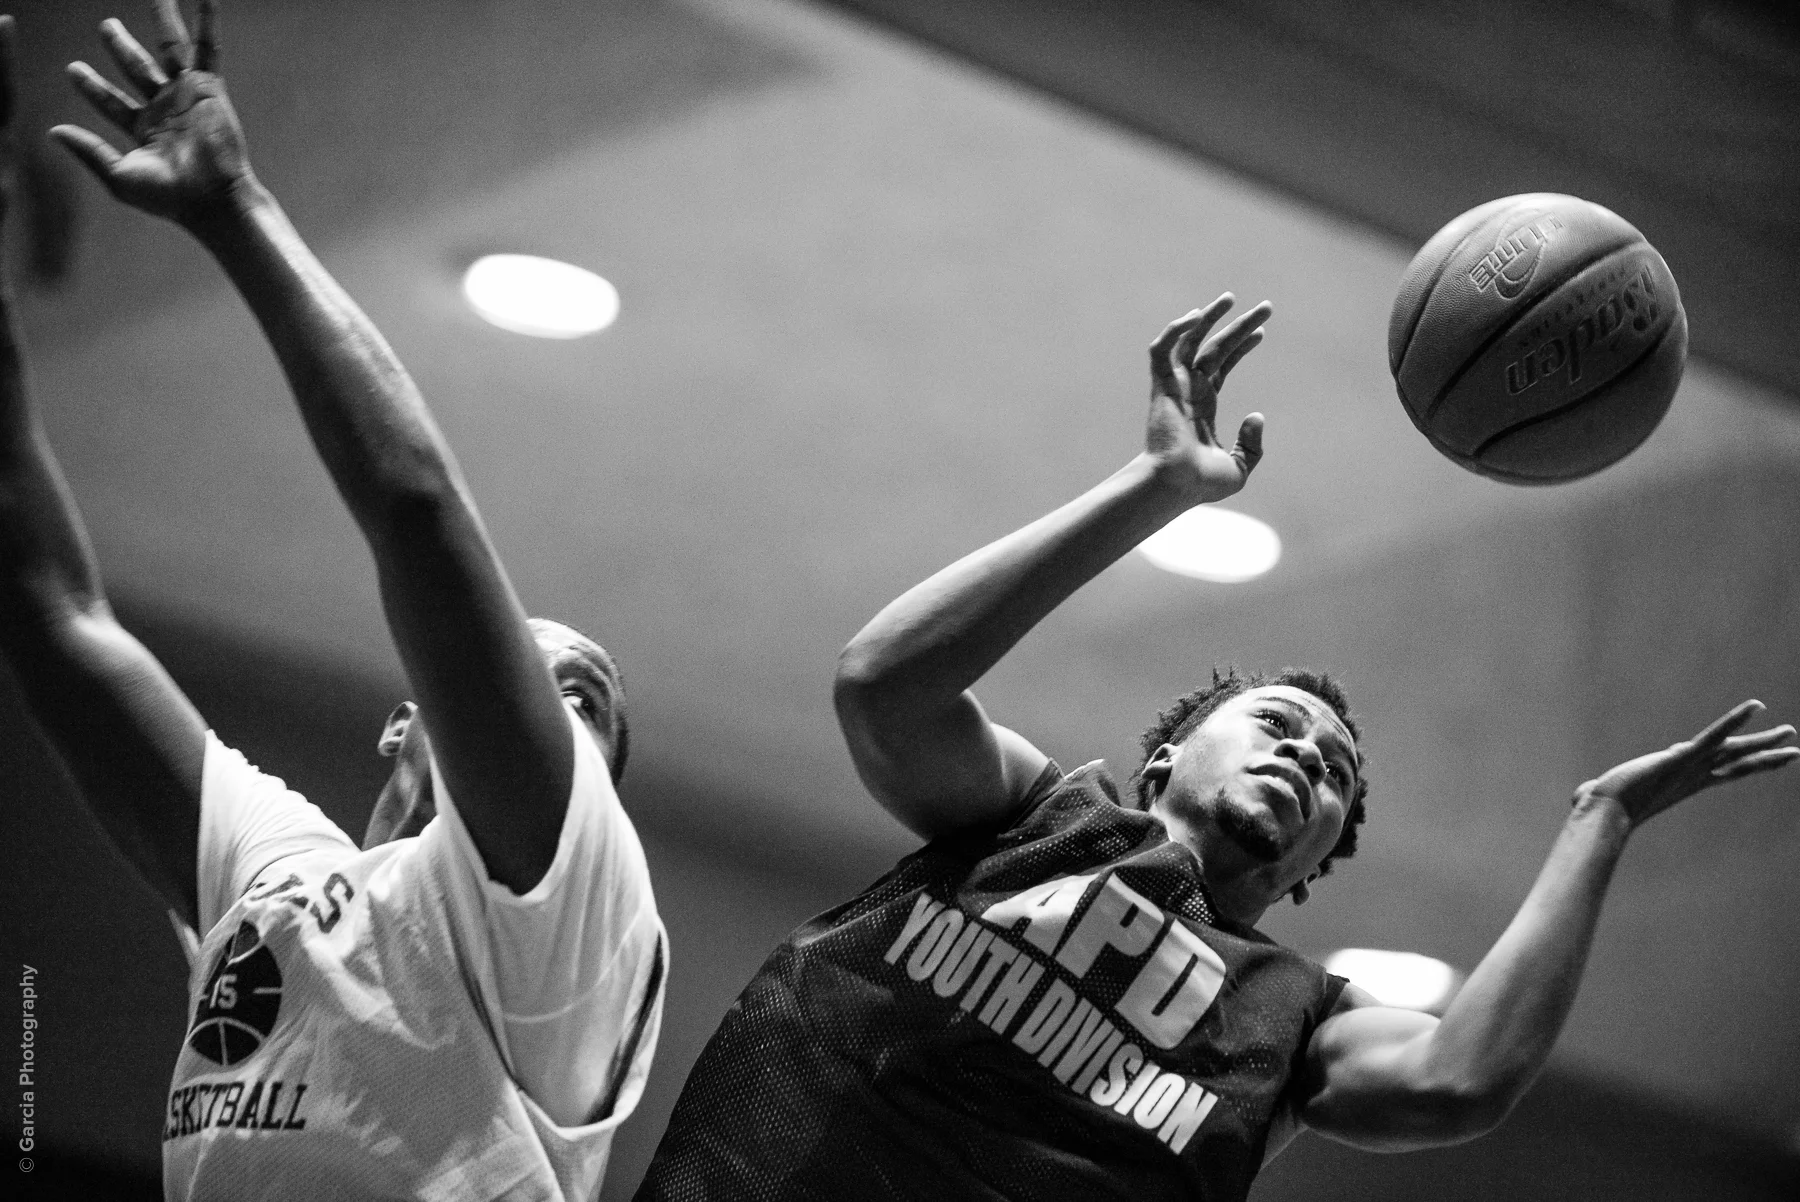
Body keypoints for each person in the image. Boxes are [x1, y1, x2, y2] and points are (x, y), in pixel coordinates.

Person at [634, 296, 1797, 1201]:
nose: (1306, 759)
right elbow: (884, 683)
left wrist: (1599, 818)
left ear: (1310, 864)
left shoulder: (1292, 1017)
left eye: (1333, 774)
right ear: (1162, 761)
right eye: (1279, 727)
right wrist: (1155, 490)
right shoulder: (1029, 822)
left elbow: (1460, 1077)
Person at [0, 3, 665, 1197]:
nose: (548, 700)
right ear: (406, 721)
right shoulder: (273, 874)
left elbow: (415, 512)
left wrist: (236, 208)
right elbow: (54, 611)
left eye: (586, 701)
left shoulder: (562, 918)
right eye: (533, 667)